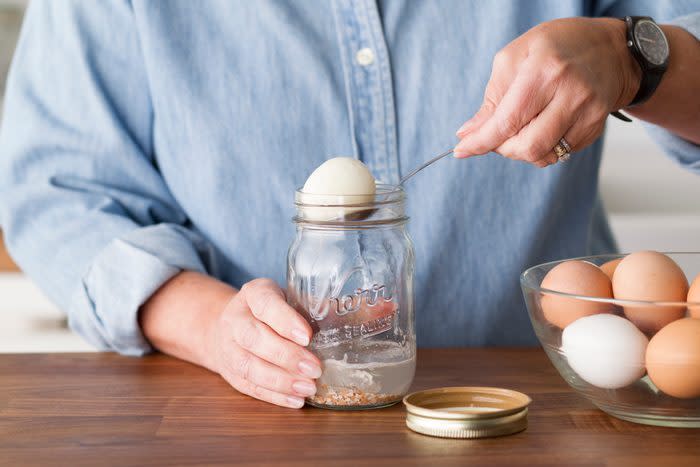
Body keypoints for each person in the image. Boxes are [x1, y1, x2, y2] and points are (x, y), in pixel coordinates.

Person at [1, 1, 698, 409]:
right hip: (243, 420)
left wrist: (635, 56)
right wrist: (211, 324)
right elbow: (54, 189)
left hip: (542, 411)